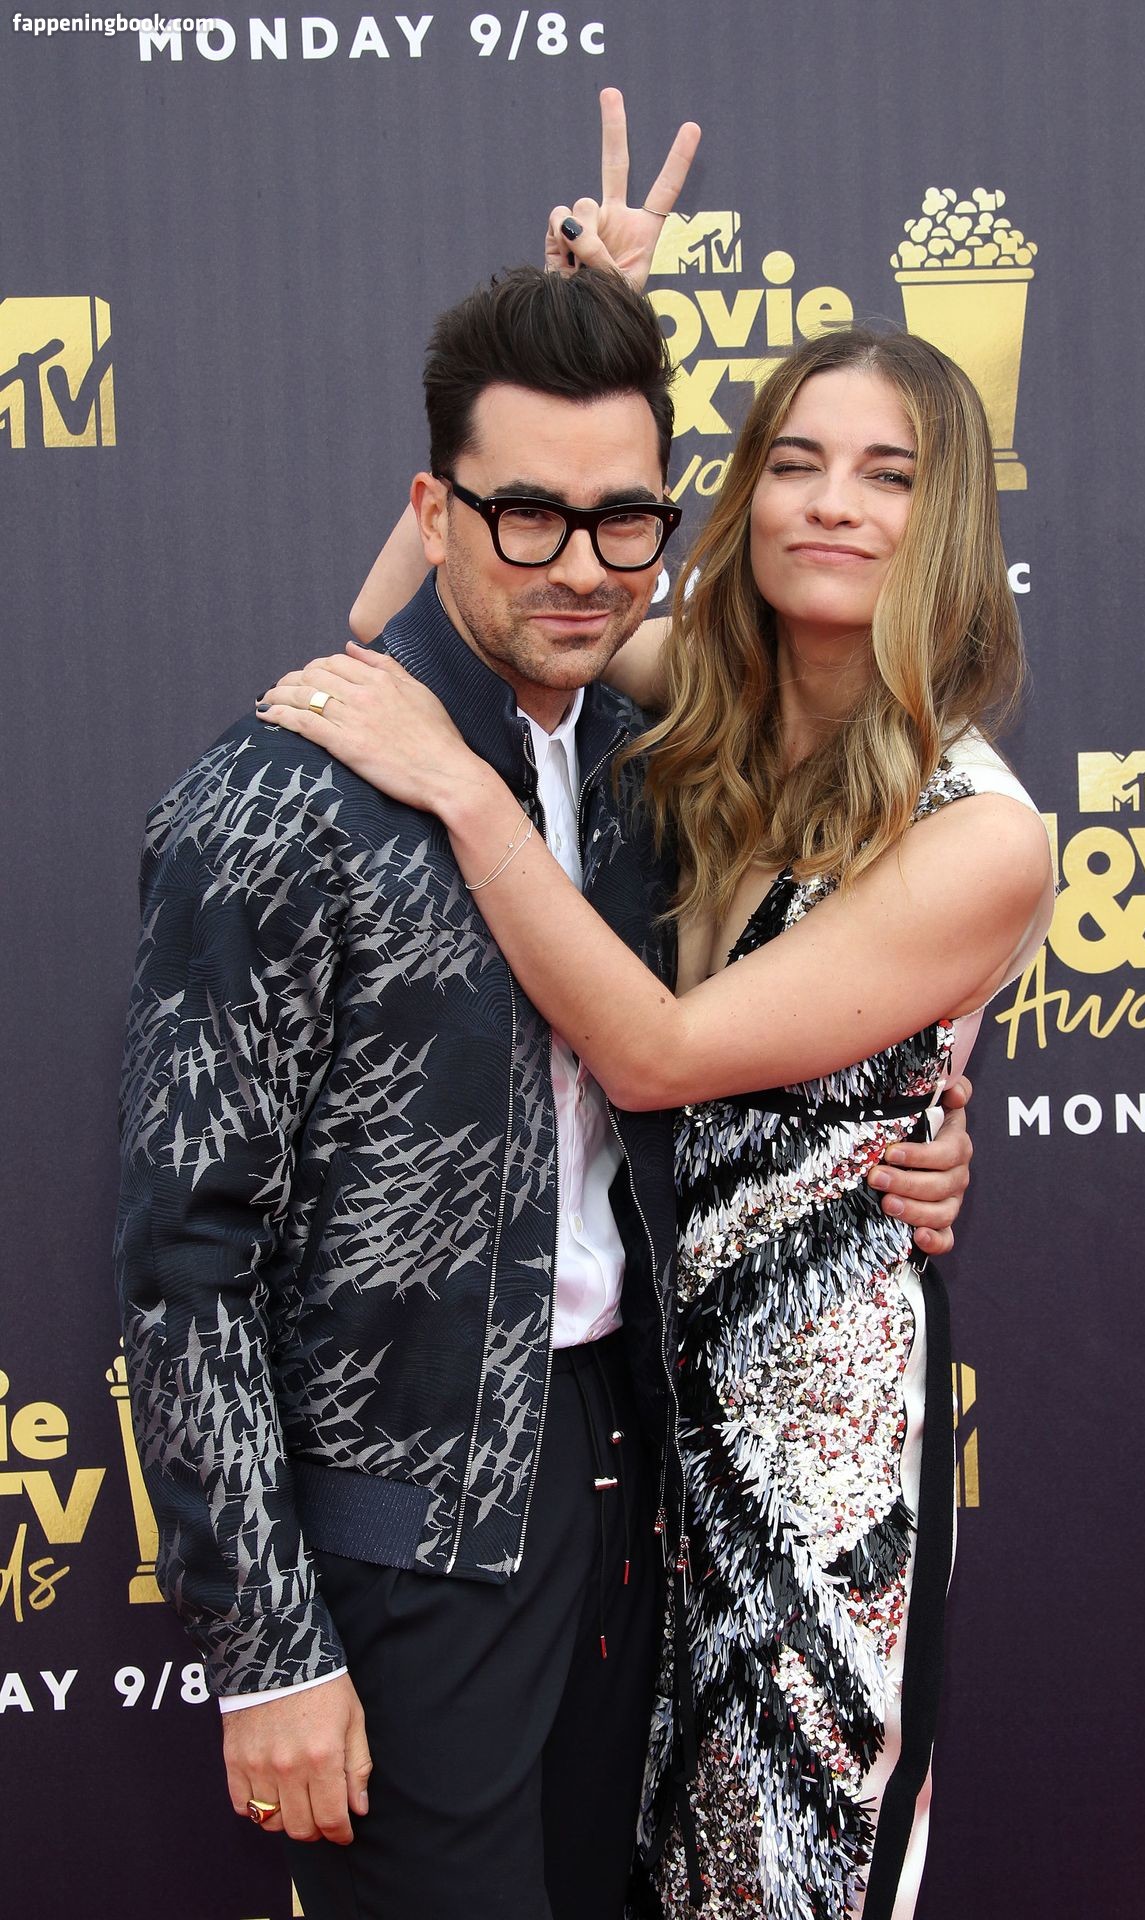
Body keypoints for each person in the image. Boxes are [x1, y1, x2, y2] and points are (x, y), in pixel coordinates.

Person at [115, 96, 974, 1920]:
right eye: (523, 514)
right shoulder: (280, 803)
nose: (580, 563)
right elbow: (186, 1261)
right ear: (436, 511)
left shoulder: (654, 766)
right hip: (405, 1541)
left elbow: (735, 1044)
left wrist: (910, 1135)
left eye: (622, 518)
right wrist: (266, 1648)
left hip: (637, 1499)